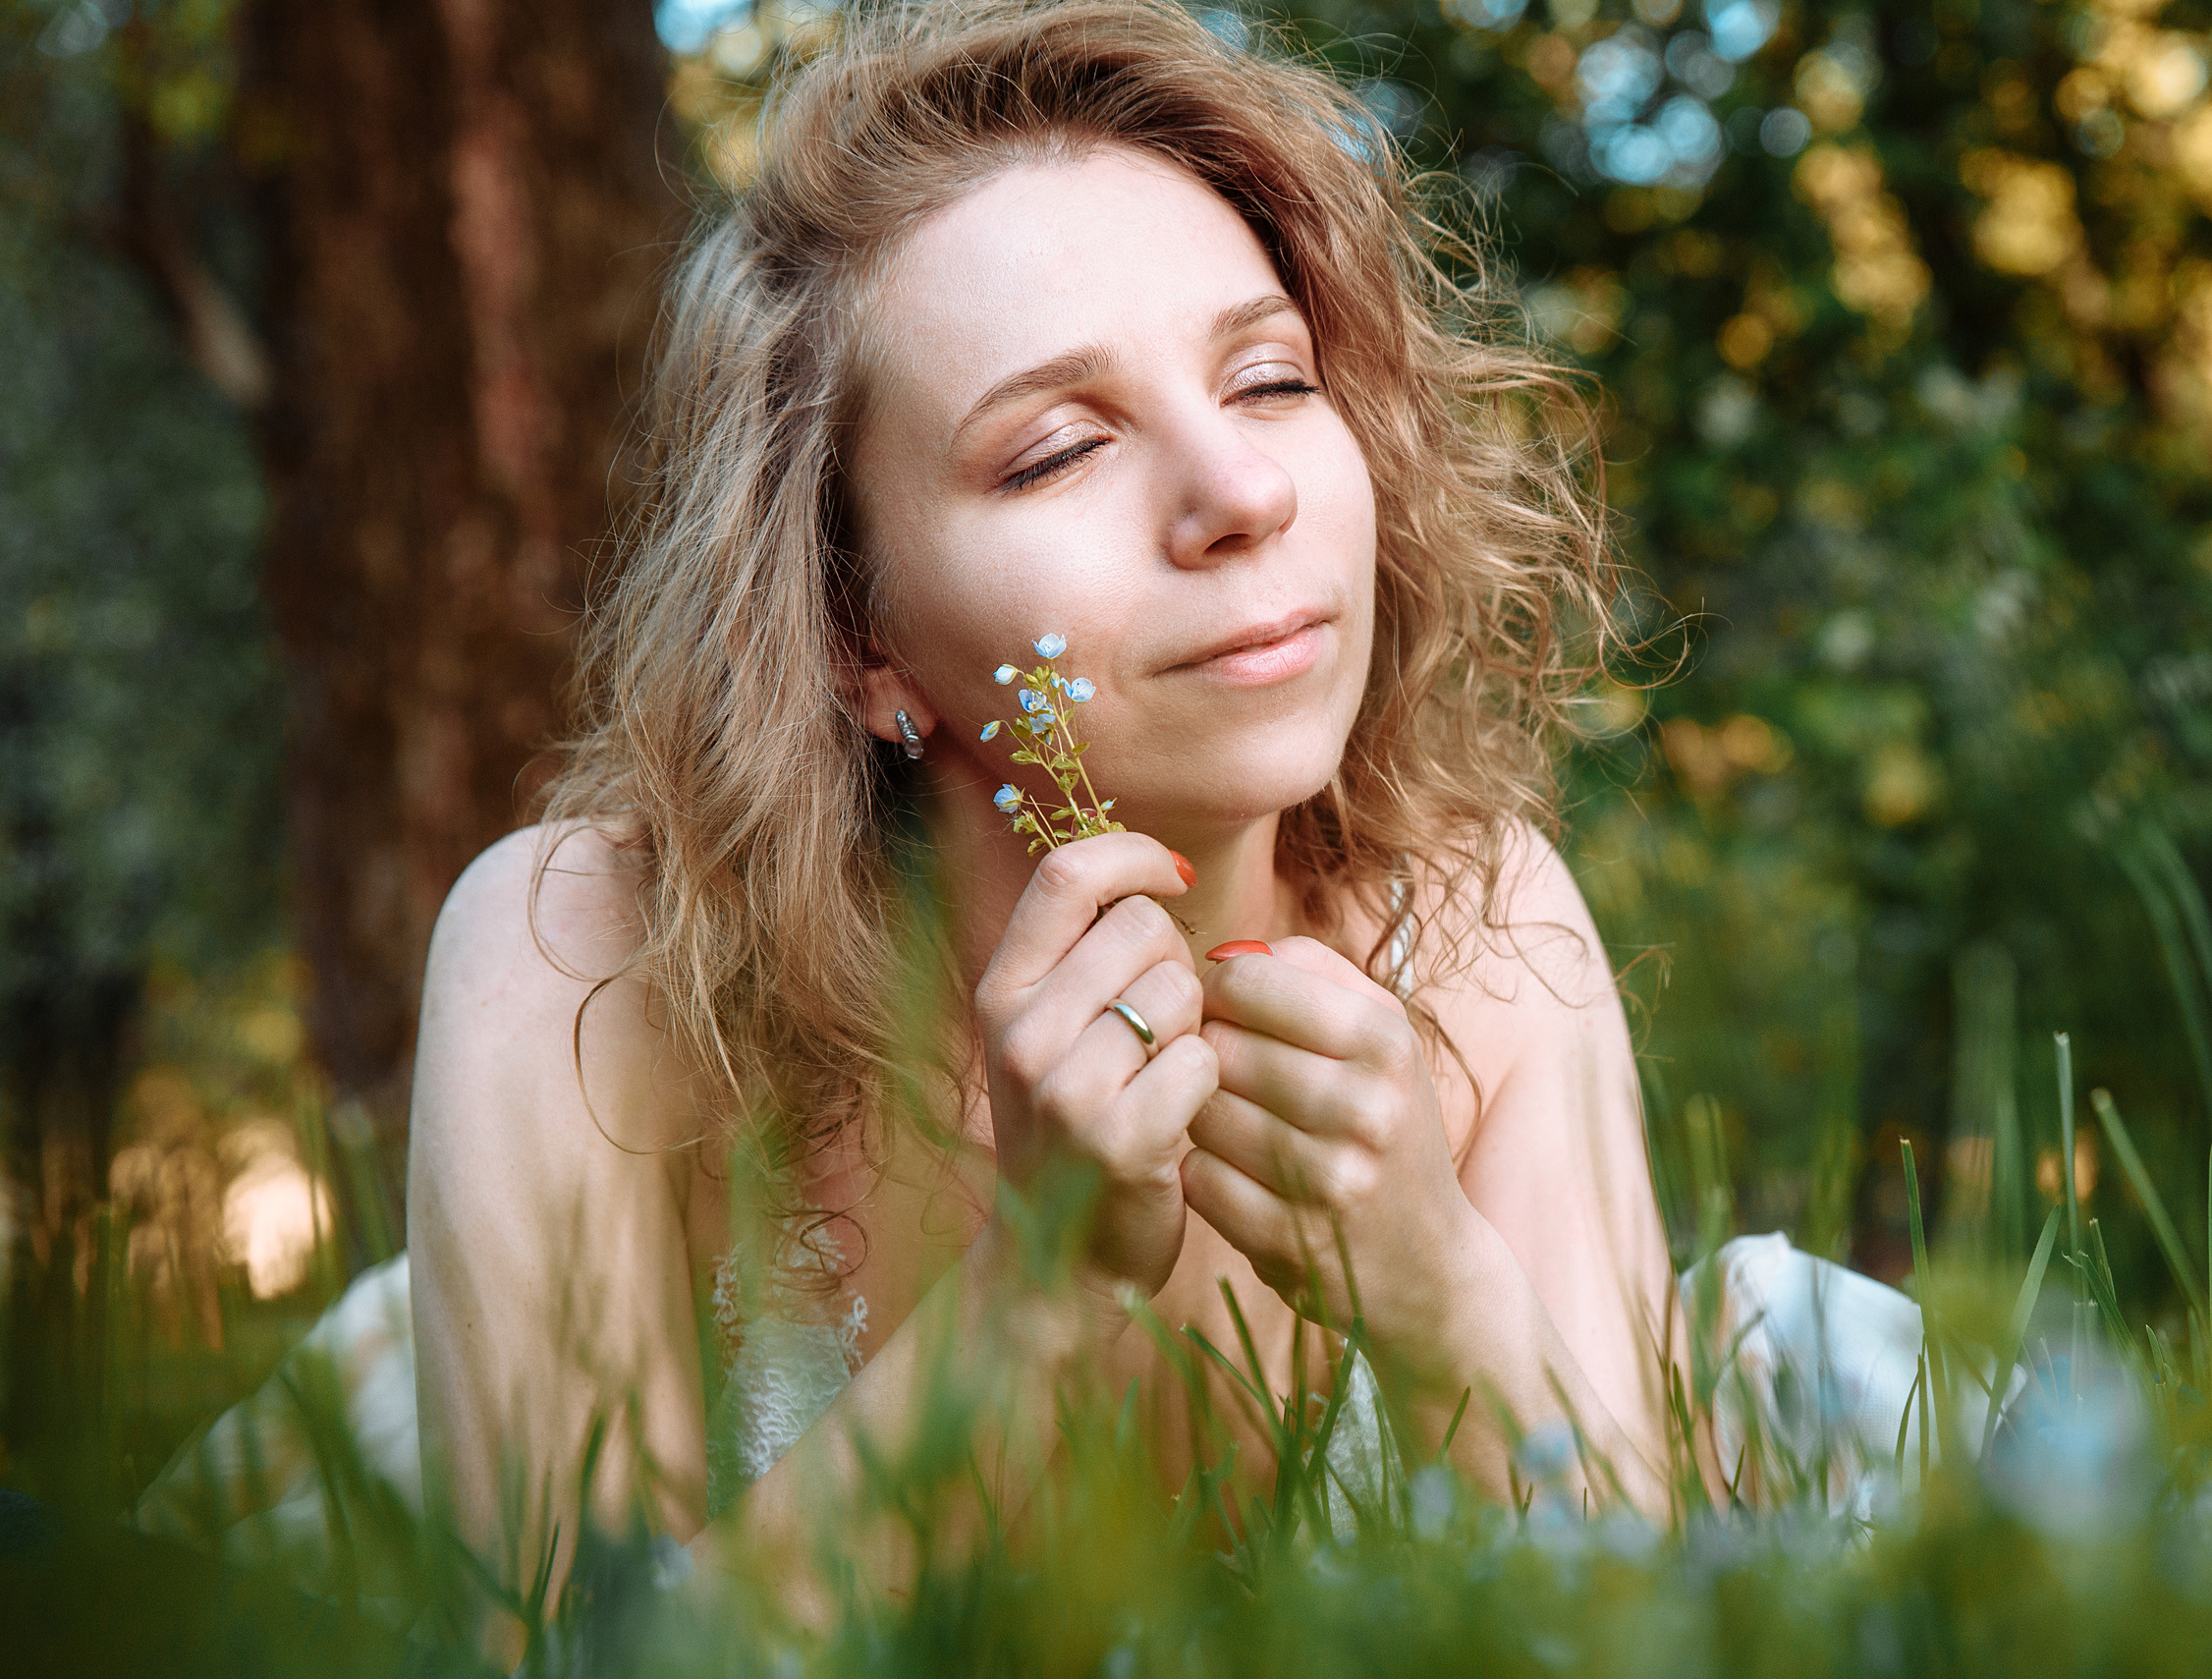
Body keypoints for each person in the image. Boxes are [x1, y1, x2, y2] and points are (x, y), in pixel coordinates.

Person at [140, 2, 1966, 1661]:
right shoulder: (577, 961)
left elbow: (1640, 1624)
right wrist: (1031, 1289)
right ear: (855, 634)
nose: (1240, 491)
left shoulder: (1481, 921)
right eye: (1055, 449)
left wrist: (1436, 1287)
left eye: (1270, 379)